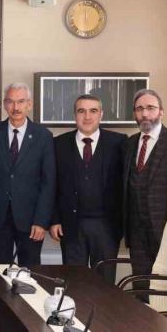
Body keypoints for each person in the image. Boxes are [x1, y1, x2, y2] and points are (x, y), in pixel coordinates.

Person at [50, 94, 125, 283]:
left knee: (105, 283)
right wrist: (55, 219)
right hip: (71, 226)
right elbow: (52, 185)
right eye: (81, 111)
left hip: (107, 227)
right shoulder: (58, 144)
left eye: (93, 111)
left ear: (101, 114)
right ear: (74, 115)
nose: (87, 116)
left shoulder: (119, 143)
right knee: (74, 283)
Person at [0, 83, 56, 266]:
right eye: (10, 102)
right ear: (4, 104)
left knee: (29, 274)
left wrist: (41, 221)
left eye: (21, 101)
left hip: (31, 220)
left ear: (29, 104)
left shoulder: (43, 136)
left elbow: (49, 182)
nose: (15, 107)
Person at [122, 89, 167, 284]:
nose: (145, 113)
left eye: (150, 108)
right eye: (139, 109)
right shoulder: (129, 144)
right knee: (140, 284)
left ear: (161, 112)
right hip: (136, 231)